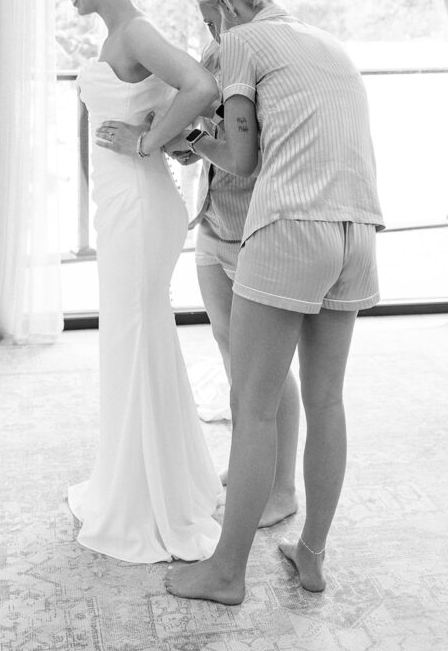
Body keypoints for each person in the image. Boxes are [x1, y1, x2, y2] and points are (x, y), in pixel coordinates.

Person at [164, 0, 384, 604]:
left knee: (251, 404)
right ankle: (310, 556)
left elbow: (240, 153)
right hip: (357, 231)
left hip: (290, 226)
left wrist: (189, 142)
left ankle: (226, 573)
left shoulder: (243, 42)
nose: (212, 39)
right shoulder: (327, 44)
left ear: (228, 4)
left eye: (210, 22)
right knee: (326, 401)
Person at [54, 0, 222, 563]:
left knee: (133, 331)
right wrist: (155, 135)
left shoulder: (136, 31)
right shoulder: (118, 34)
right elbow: (184, 96)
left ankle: (149, 500)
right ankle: (152, 480)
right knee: (134, 335)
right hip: (124, 204)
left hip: (139, 202)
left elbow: (200, 85)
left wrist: (149, 141)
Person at [168, 40, 300, 529]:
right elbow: (211, 127)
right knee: (231, 356)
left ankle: (282, 488)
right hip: (213, 223)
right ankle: (250, 467)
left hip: (257, 230)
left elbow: (257, 152)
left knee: (266, 368)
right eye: (205, 20)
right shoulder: (214, 52)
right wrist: (193, 142)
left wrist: (200, 140)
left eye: (214, 15)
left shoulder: (276, 62)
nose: (212, 28)